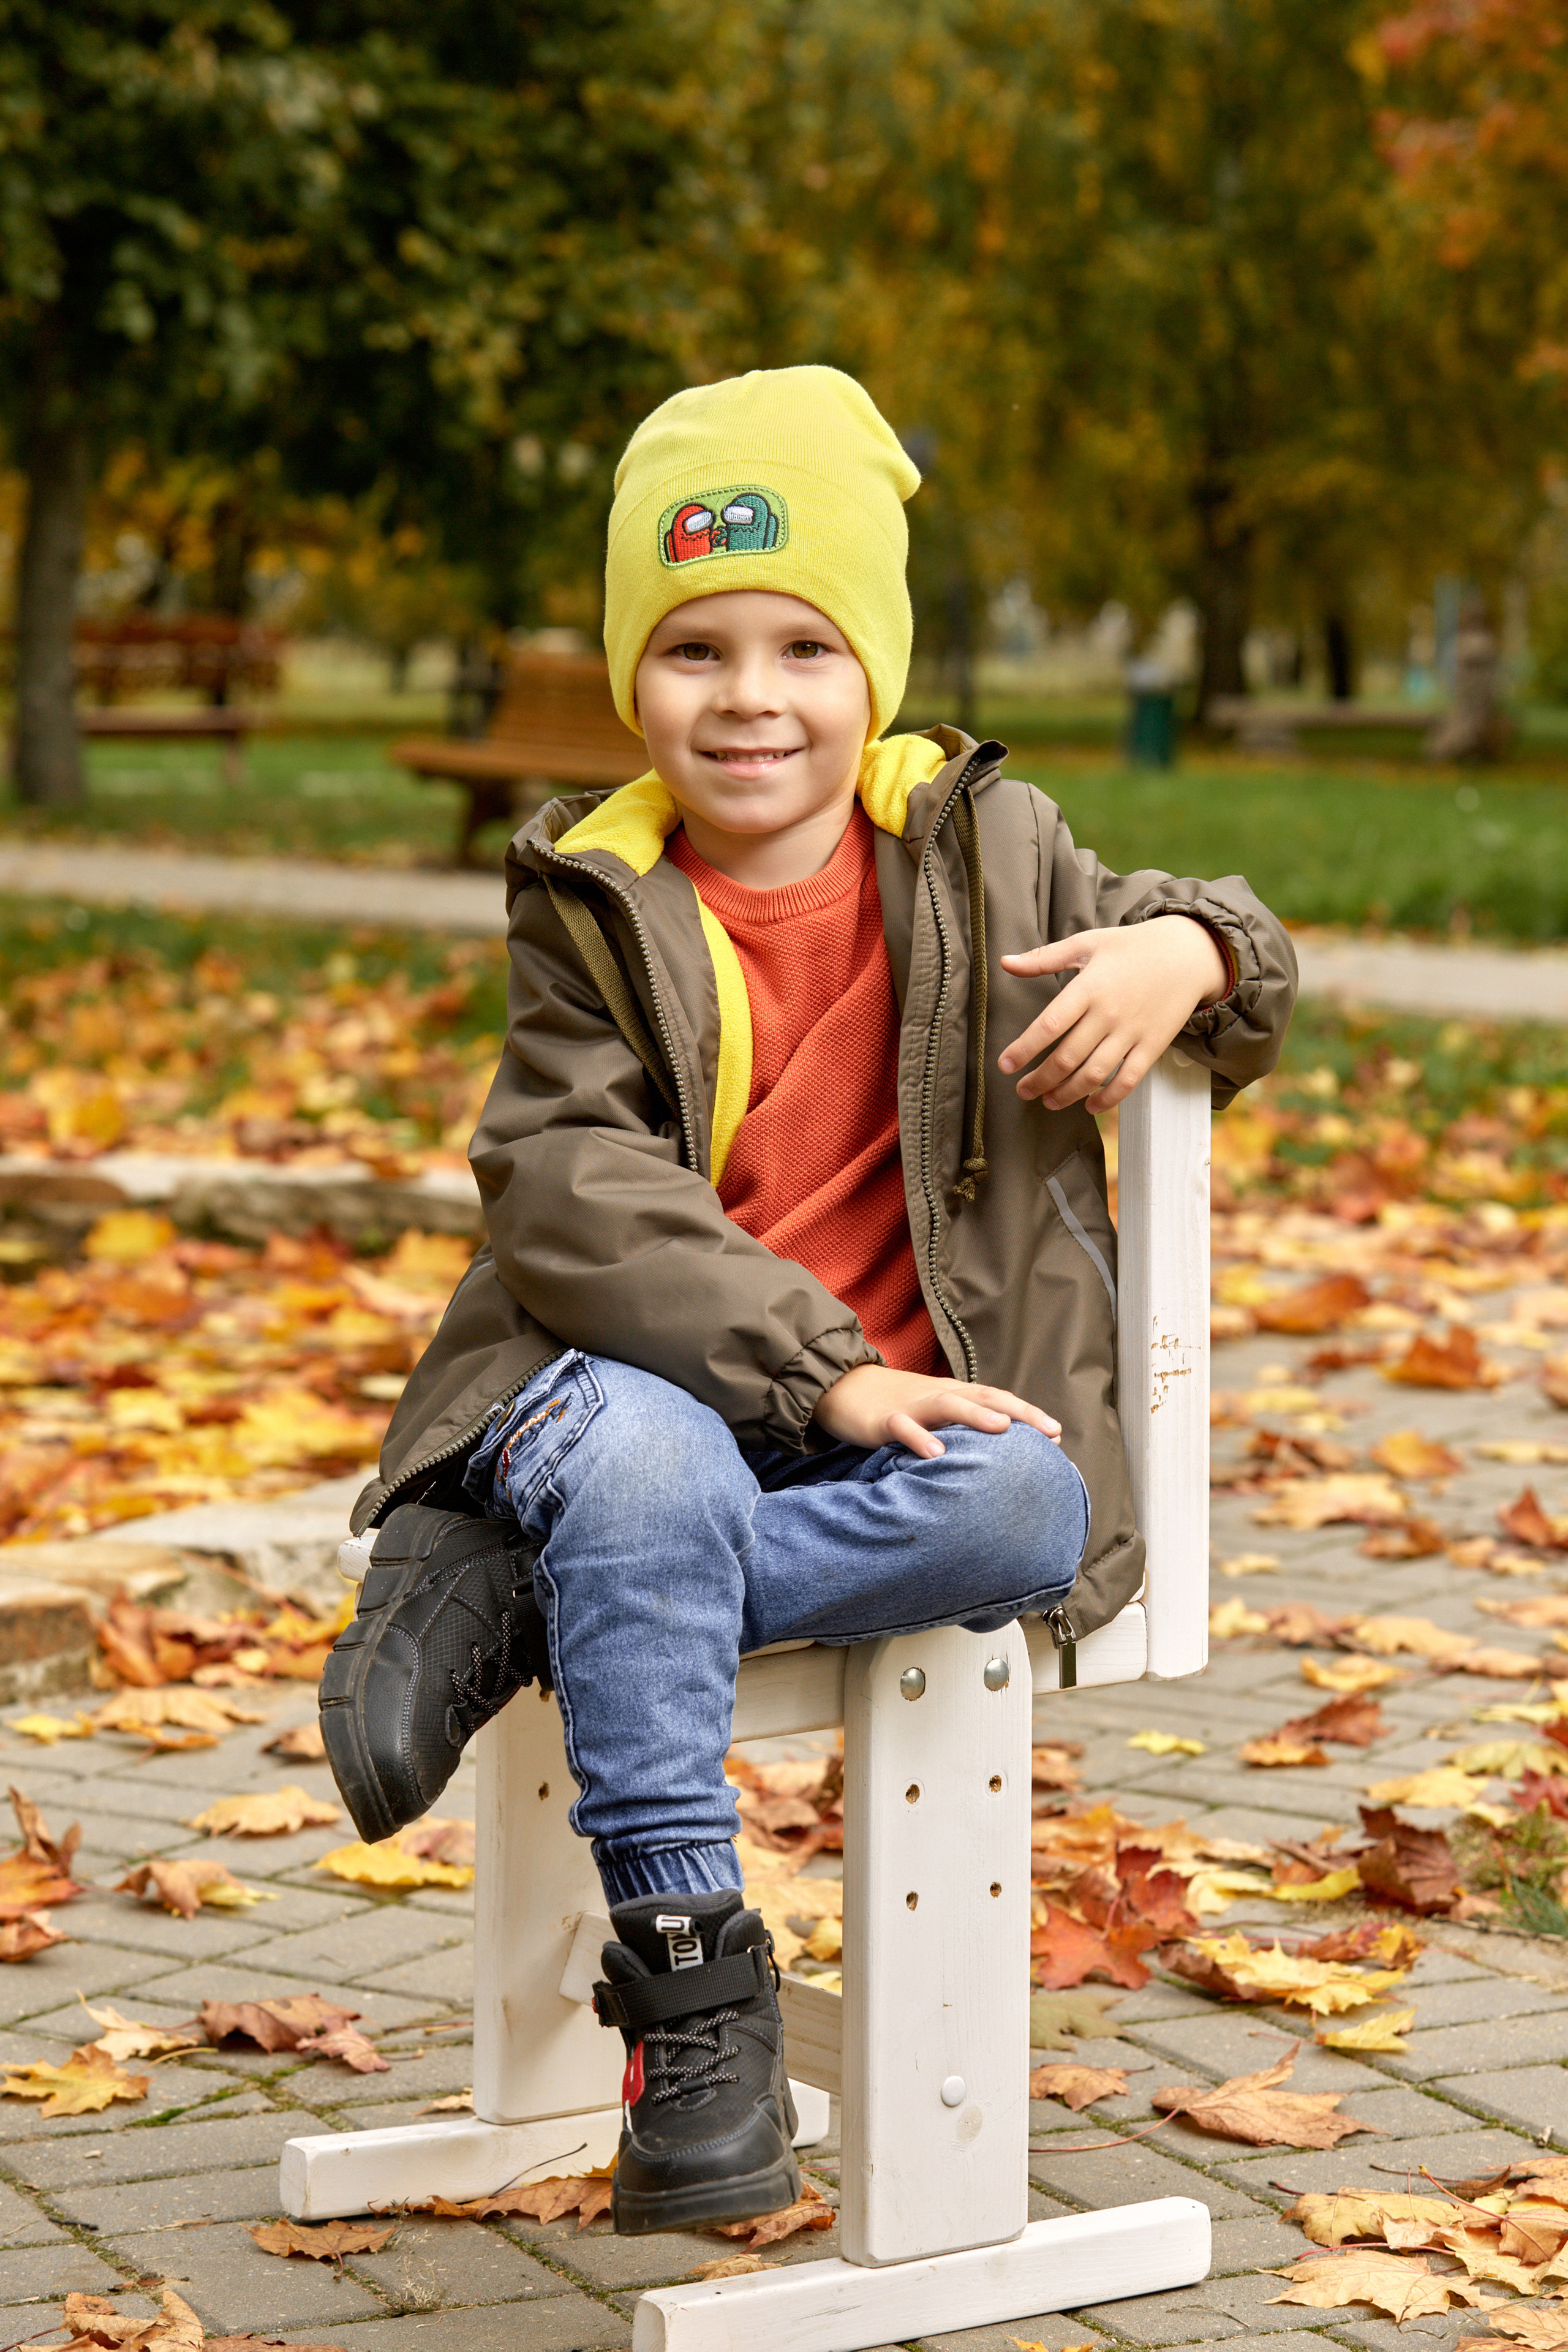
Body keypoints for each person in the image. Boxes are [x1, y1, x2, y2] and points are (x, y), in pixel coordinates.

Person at [320, 365, 1296, 2236]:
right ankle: (693, 1982)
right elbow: (565, 1186)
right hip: (627, 1387)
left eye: (802, 646)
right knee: (648, 1463)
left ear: (878, 671)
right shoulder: (597, 896)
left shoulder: (991, 853)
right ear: (635, 677)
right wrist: (824, 1375)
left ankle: (526, 1587)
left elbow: (1255, 958)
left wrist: (1188, 945)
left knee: (1035, 1499)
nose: (750, 696)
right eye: (694, 650)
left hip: (889, 1455)